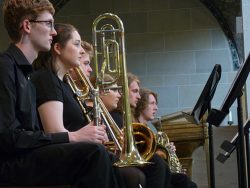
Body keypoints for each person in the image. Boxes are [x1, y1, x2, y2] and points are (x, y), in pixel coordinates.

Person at [0, 0, 118, 185]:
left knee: (111, 160)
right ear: (27, 26)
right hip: (9, 163)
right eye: (48, 23)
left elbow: (31, 134)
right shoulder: (5, 67)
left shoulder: (27, 75)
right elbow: (7, 137)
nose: (53, 32)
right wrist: (74, 136)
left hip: (26, 156)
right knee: (94, 154)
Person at [31, 25, 145, 188]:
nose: (81, 50)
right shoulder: (47, 79)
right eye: (76, 44)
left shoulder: (62, 83)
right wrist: (83, 135)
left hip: (78, 151)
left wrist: (98, 136)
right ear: (57, 48)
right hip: (62, 156)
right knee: (129, 175)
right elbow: (54, 132)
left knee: (134, 173)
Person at [134, 88, 198, 188]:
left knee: (187, 182)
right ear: (141, 105)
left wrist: (167, 150)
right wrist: (163, 152)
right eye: (152, 103)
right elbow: (147, 157)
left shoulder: (148, 130)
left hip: (157, 170)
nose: (156, 108)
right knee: (184, 182)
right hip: (149, 171)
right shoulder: (137, 128)